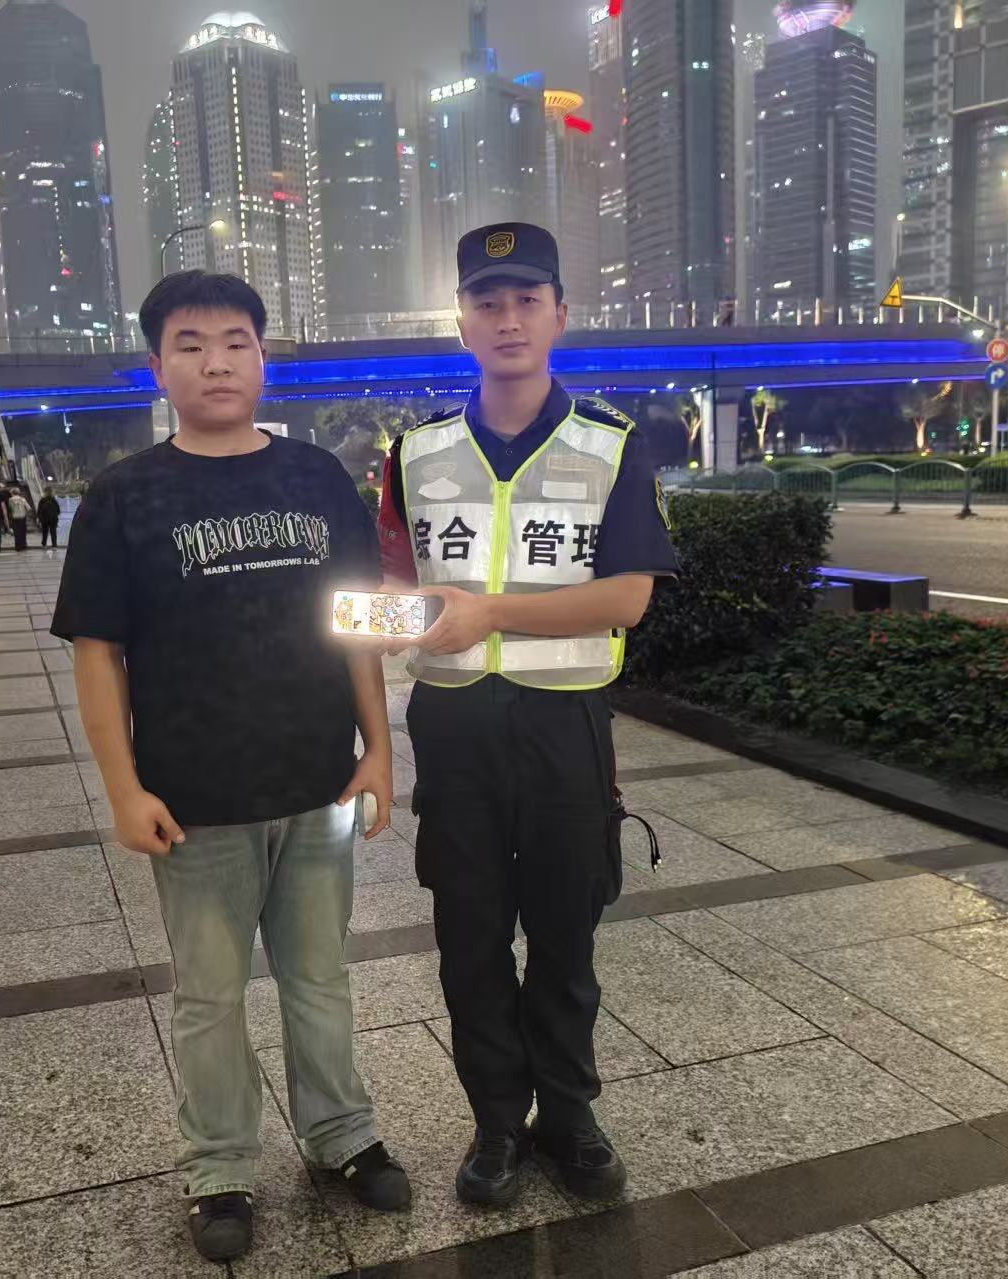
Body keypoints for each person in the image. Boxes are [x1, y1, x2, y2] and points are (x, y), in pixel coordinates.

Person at [51, 270, 409, 1263]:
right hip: (193, 801)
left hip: (316, 784)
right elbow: (98, 653)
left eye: (236, 341)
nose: (216, 361)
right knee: (208, 994)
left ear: (261, 356)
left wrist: (378, 747)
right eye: (191, 343)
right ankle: (218, 1167)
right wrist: (124, 788)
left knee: (319, 977)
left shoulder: (316, 479)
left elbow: (358, 621)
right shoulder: (124, 496)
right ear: (157, 365)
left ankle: (340, 1134)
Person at [377, 223, 677, 1207]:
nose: (506, 319)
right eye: (486, 301)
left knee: (563, 936)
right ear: (461, 321)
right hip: (454, 729)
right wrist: (377, 625)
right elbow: (394, 587)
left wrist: (491, 613)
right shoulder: (415, 453)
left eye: (525, 300)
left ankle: (570, 1116)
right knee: (469, 940)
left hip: (564, 728)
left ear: (558, 315)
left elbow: (629, 596)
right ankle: (498, 1126)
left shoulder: (609, 444)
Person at [7, 487, 30, 552]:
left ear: (12, 493)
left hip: (14, 517)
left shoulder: (10, 500)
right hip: (22, 517)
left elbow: (9, 508)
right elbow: (28, 508)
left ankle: (18, 546)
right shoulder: (22, 499)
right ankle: (23, 545)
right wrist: (24, 512)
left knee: (16, 532)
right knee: (22, 531)